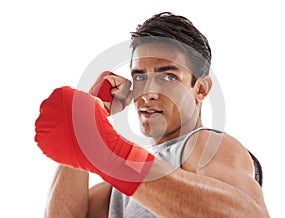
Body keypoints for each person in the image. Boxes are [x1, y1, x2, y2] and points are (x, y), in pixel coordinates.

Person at [35, 12, 269, 217]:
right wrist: (86, 124)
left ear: (200, 89)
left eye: (168, 77)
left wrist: (114, 155)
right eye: (140, 77)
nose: (148, 92)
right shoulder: (121, 184)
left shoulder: (203, 144)